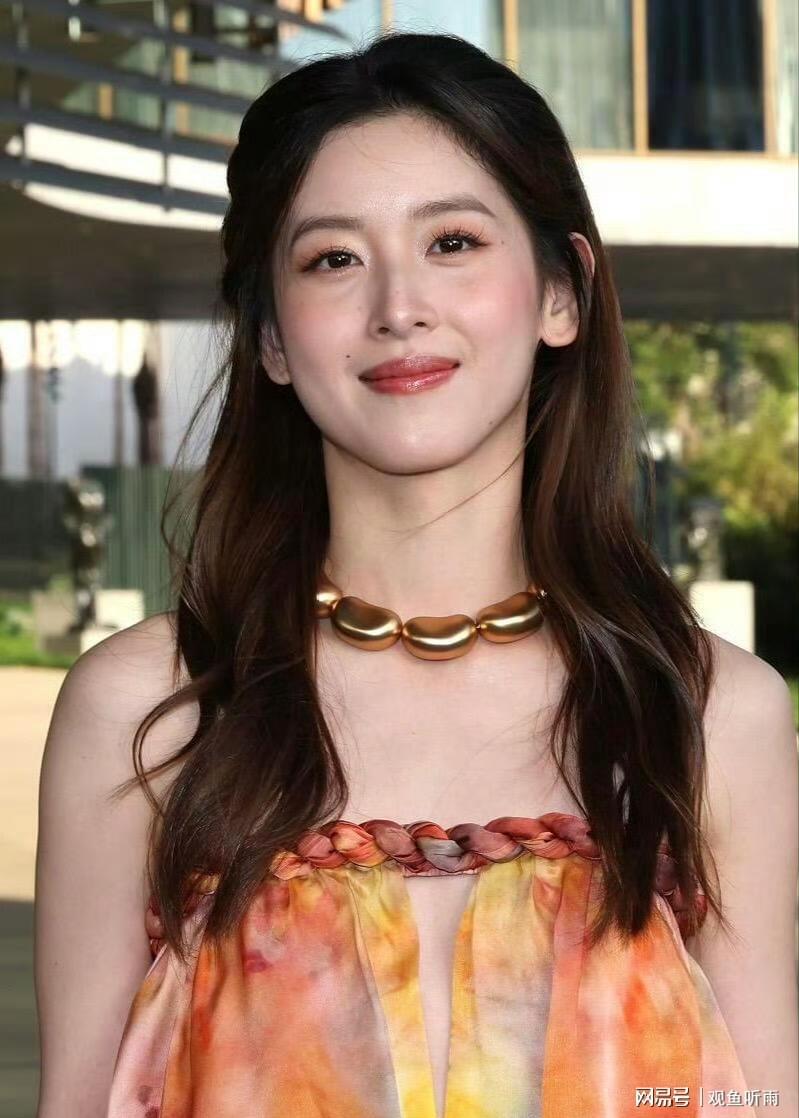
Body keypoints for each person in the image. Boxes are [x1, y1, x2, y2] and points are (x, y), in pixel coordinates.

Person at [34, 31, 797, 1118]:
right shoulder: (148, 712)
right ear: (270, 338)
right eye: (332, 259)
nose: (399, 306)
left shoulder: (710, 713)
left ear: (561, 293)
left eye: (452, 241)